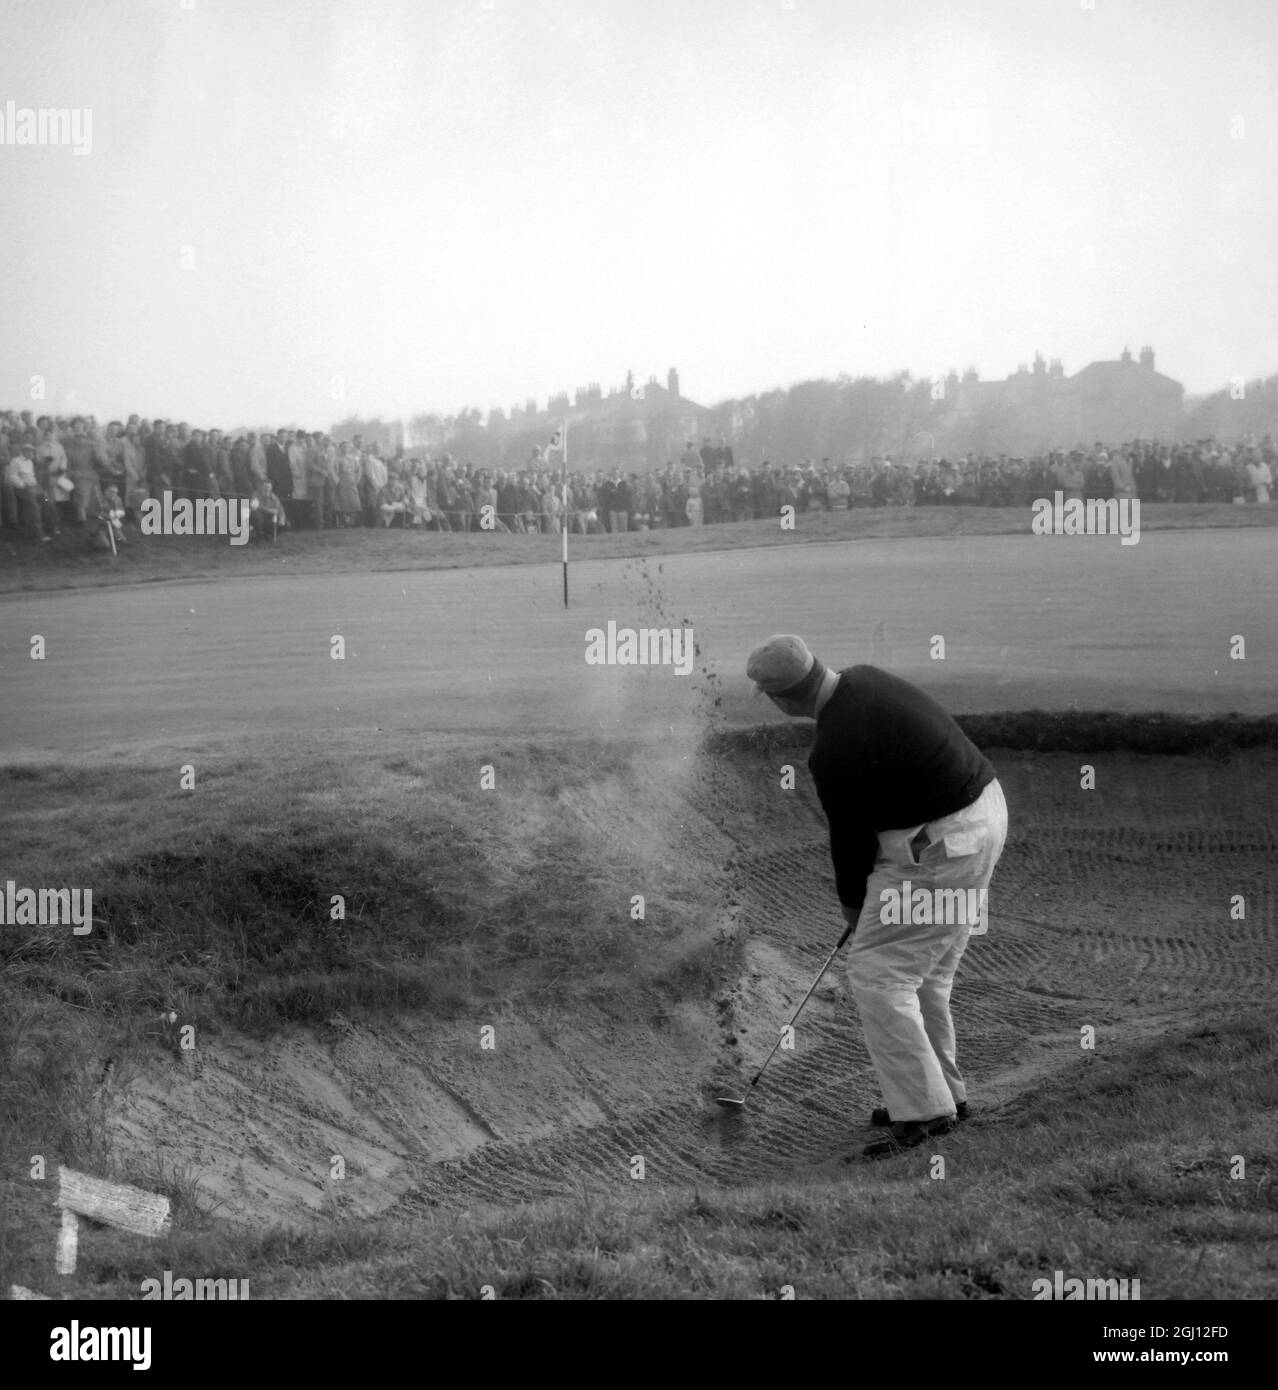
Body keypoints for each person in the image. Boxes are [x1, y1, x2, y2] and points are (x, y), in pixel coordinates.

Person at [745, 635, 1008, 1160]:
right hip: (981, 820)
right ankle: (941, 1096)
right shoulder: (865, 678)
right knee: (923, 975)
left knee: (879, 977)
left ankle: (927, 1114)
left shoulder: (833, 748)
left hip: (944, 846)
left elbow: (850, 842)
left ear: (781, 699)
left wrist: (854, 910)